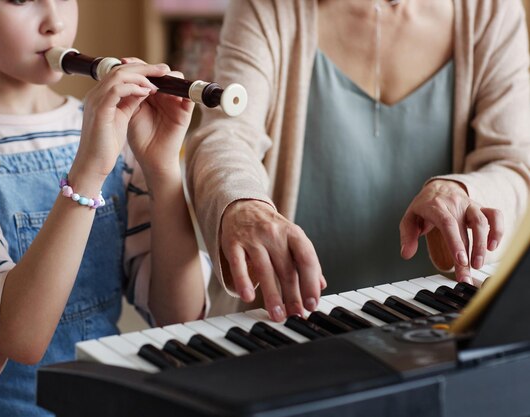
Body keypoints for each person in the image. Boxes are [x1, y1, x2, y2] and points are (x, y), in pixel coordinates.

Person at [0, 0, 208, 415]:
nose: (55, 22)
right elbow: (20, 340)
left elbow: (181, 317)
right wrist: (88, 170)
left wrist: (161, 166)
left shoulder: (113, 132)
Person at [185, 0, 530, 322]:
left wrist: (462, 190)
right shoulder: (269, 8)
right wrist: (245, 205)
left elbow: (514, 162)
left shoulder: (491, 10)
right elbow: (226, 135)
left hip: (444, 323)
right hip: (289, 325)